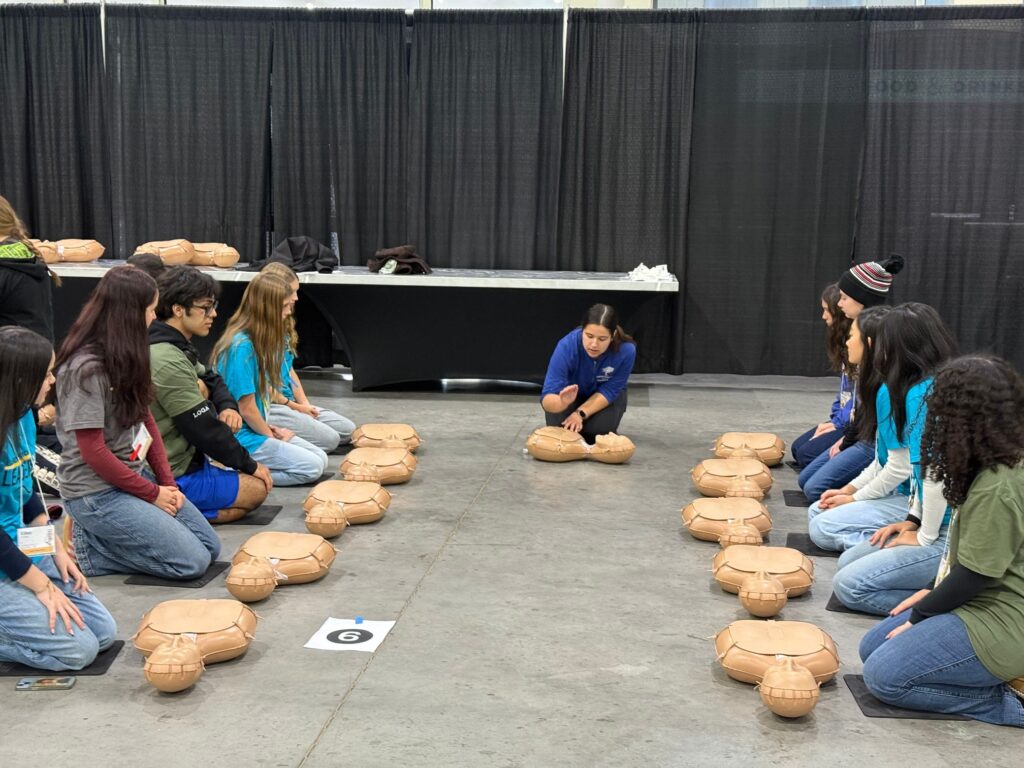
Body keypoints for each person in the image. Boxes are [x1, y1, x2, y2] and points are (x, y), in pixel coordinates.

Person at [859, 355, 1024, 727]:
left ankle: (1009, 705)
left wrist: (923, 613)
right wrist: (931, 591)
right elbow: (968, 560)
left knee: (884, 678)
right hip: (980, 599)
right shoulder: (990, 463)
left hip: (1003, 619)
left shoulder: (999, 484)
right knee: (872, 648)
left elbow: (976, 575)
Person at [55, 266, 221, 579]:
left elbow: (147, 423)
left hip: (132, 477)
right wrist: (152, 494)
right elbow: (93, 452)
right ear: (128, 314)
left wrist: (167, 485)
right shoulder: (85, 369)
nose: (153, 318)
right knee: (192, 563)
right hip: (94, 494)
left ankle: (101, 538)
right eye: (148, 310)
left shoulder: (130, 354)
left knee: (210, 547)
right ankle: (89, 553)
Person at [0, 326, 117, 671]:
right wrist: (37, 584)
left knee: (103, 633)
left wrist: (51, 546)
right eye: (46, 373)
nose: (52, 381)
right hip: (5, 554)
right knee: (77, 651)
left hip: (20, 544)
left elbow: (24, 489)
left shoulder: (22, 415)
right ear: (20, 378)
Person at [808, 304, 957, 554]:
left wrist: (923, 533)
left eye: (851, 336)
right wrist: (849, 491)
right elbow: (886, 459)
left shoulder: (913, 393)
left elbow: (917, 471)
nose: (846, 341)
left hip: (926, 509)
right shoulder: (896, 386)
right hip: (917, 505)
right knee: (818, 508)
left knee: (823, 527)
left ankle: (892, 546)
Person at [149, 266, 273, 523]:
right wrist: (249, 464)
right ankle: (173, 511)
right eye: (205, 308)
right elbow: (202, 427)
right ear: (178, 309)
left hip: (190, 459)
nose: (214, 314)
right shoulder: (165, 357)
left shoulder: (174, 344)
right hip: (175, 472)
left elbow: (213, 379)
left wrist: (227, 406)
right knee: (258, 489)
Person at [211, 272, 329, 486]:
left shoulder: (259, 340)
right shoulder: (242, 347)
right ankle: (233, 474)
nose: (288, 312)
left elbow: (261, 397)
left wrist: (270, 428)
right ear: (267, 308)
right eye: (284, 306)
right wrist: (270, 436)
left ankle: (250, 467)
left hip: (257, 428)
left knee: (321, 458)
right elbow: (245, 408)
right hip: (240, 438)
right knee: (311, 467)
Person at [797, 307, 889, 502]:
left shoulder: (883, 382)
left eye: (852, 336)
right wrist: (845, 438)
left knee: (814, 490)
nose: (847, 342)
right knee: (805, 479)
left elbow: (869, 425)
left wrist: (852, 495)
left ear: (869, 343)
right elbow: (856, 414)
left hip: (870, 444)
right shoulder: (866, 372)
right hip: (858, 435)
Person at [260, 262, 355, 452]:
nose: (296, 297)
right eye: (292, 292)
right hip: (270, 406)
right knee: (330, 440)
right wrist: (295, 408)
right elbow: (261, 387)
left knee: (348, 430)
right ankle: (277, 435)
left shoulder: (283, 325)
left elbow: (289, 370)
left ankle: (298, 429)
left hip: (289, 404)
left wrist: (304, 404)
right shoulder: (255, 336)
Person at [541, 304, 636, 443]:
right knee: (560, 428)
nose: (594, 344)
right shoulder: (566, 346)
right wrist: (561, 402)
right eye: (589, 336)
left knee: (598, 432)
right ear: (582, 331)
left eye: (602, 339)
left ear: (613, 335)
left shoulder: (627, 350)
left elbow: (610, 390)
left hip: (602, 397)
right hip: (569, 397)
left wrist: (580, 414)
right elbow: (547, 397)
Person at [790, 284, 855, 468]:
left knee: (806, 455)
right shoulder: (843, 342)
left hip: (854, 424)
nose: (823, 316)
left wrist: (840, 426)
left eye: (827, 310)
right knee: (797, 449)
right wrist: (834, 420)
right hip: (843, 419)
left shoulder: (858, 344)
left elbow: (859, 399)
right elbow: (844, 393)